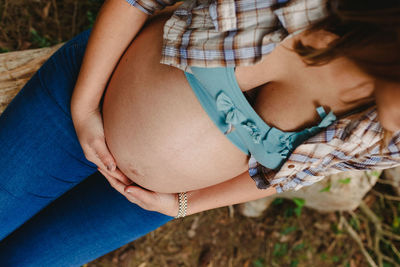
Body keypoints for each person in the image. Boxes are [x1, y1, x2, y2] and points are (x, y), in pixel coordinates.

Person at [0, 0, 399, 265]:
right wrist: (85, 105)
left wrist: (181, 205)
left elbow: (294, 172)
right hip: (78, 110)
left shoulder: (388, 133)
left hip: (139, 201)